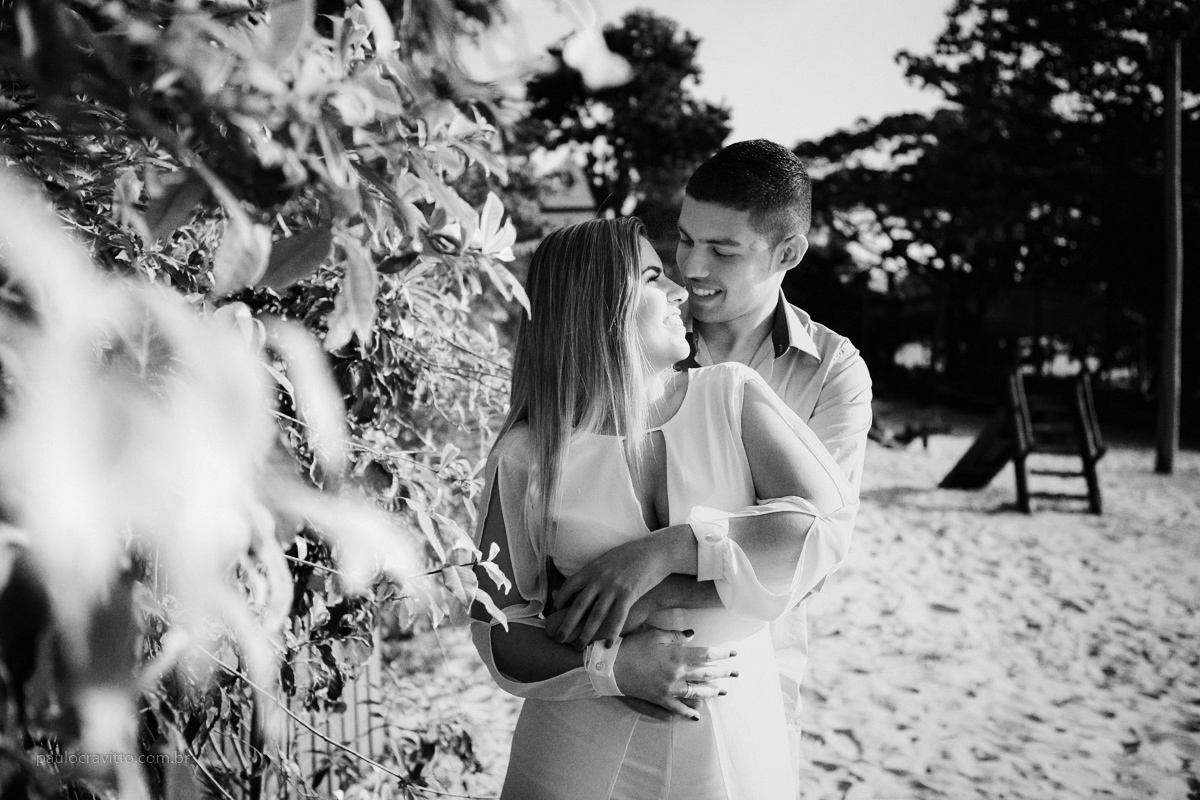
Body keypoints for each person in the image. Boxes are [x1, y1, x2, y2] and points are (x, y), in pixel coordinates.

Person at [470, 217, 857, 799]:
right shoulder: (529, 453)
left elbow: (820, 529)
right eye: (653, 276)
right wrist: (613, 668)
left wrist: (666, 553)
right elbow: (497, 629)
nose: (680, 290)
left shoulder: (731, 394)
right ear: (597, 307)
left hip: (734, 734)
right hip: (578, 747)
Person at [546, 140, 873, 766]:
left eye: (723, 250)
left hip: (753, 665)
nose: (691, 267)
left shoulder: (833, 373)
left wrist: (653, 567)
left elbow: (813, 551)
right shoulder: (638, 333)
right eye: (687, 238)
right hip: (603, 669)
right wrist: (613, 645)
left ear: (788, 253)